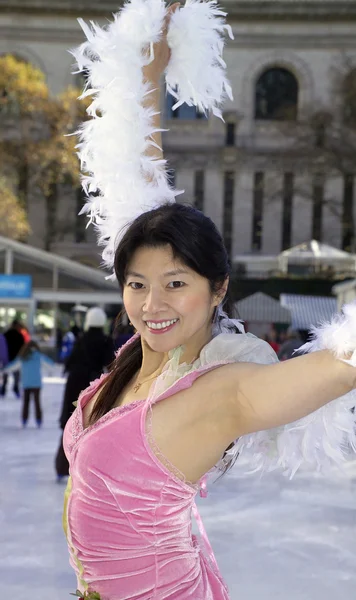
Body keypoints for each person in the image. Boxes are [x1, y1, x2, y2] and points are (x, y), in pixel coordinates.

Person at [62, 5, 356, 600]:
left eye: (177, 283)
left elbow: (340, 364)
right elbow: (133, 186)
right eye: (137, 284)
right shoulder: (135, 363)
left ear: (217, 288)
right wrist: (149, 71)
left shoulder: (221, 388)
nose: (152, 303)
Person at [55, 307, 115, 480]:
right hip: (91, 384)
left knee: (69, 422)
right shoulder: (105, 341)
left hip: (74, 382)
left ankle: (61, 466)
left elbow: (70, 361)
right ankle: (87, 469)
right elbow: (110, 364)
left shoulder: (81, 339)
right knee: (90, 424)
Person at [2, 340, 54, 427]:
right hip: (36, 384)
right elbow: (50, 364)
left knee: (26, 403)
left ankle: (24, 419)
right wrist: (51, 371)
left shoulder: (23, 357)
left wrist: (4, 370)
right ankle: (38, 420)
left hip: (26, 383)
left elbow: (13, 366)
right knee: (37, 402)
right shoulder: (39, 356)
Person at [0, 319, 25, 398]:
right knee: (14, 376)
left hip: (9, 358)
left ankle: (5, 389)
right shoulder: (18, 335)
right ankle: (10, 389)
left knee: (8, 375)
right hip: (13, 358)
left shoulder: (7, 334)